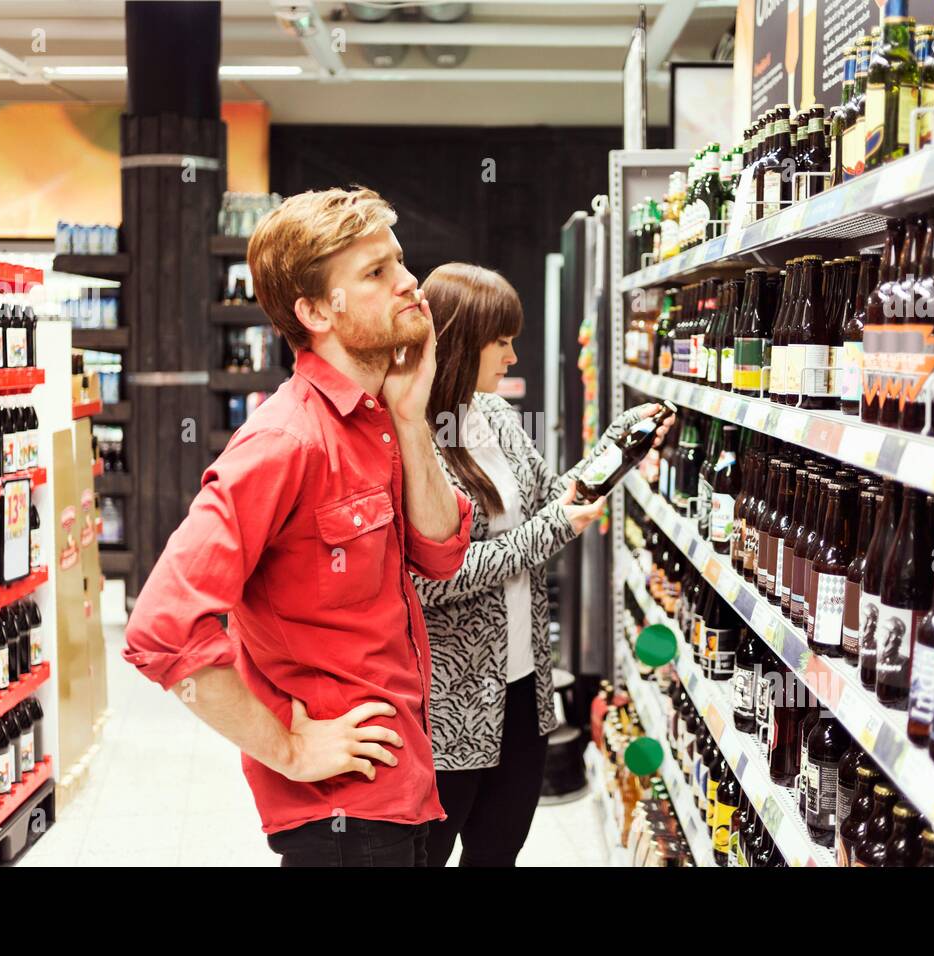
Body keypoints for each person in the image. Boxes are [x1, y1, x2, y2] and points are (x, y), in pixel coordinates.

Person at [121, 188, 473, 867]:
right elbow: (161, 630)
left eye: (398, 261)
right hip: (342, 816)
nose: (408, 283)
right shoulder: (285, 441)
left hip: (401, 783)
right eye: (374, 273)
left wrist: (410, 416)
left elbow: (441, 553)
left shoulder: (378, 420)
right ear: (314, 312)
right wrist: (286, 746)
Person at [414, 262, 672, 866]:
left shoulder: (497, 419)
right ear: (458, 339)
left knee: (499, 852)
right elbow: (431, 577)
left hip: (523, 690)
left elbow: (556, 498)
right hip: (452, 703)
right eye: (499, 341)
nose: (510, 356)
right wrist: (553, 529)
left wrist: (620, 443)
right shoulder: (414, 438)